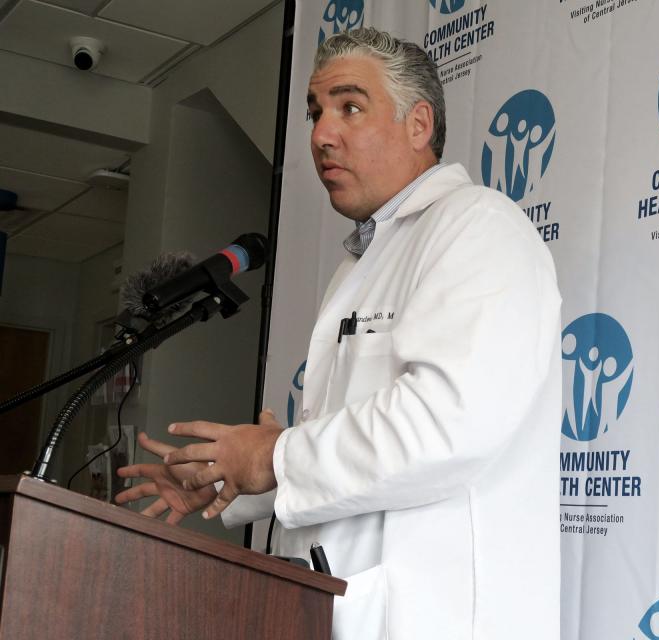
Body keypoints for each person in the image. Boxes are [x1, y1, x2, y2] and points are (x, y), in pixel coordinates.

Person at [116, 27, 562, 640]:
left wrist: (275, 456)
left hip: (441, 619)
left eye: (350, 107)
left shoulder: (478, 228)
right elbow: (355, 463)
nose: (322, 134)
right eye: (315, 113)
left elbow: (445, 425)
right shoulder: (363, 261)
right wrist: (229, 475)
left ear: (418, 124)